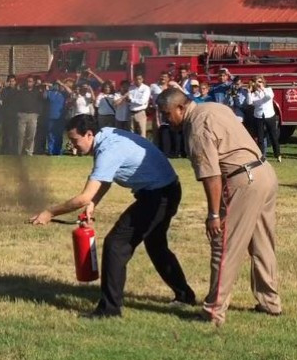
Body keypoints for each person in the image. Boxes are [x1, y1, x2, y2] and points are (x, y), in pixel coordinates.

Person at [27, 114, 196, 319]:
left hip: (158, 195)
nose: (72, 146)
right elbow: (105, 180)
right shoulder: (106, 137)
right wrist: (93, 205)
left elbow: (83, 197)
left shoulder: (108, 150)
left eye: (74, 141)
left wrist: (49, 212)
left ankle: (109, 309)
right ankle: (185, 295)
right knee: (156, 245)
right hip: (166, 189)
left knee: (116, 244)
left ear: (89, 134)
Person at [156, 88, 282, 326]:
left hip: (243, 180)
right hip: (264, 173)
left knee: (224, 245)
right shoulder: (214, 107)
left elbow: (211, 175)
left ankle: (214, 310)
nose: (165, 120)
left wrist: (214, 214)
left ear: (181, 108)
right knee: (262, 242)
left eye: (166, 113)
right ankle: (270, 302)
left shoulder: (196, 126)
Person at [249, 76, 281, 162]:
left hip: (269, 115)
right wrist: (249, 91)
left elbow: (269, 97)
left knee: (273, 136)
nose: (258, 83)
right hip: (258, 116)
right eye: (257, 82)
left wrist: (262, 88)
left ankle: (277, 155)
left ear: (263, 82)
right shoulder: (253, 93)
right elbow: (249, 102)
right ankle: (262, 155)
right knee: (260, 137)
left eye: (260, 81)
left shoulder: (268, 90)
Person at [15, 76, 42, 156]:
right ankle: (19, 152)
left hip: (33, 115)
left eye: (30, 81)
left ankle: (29, 151)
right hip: (22, 115)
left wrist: (37, 113)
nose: (28, 83)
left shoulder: (37, 92)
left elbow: (42, 99)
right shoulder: (21, 91)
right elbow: (16, 102)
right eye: (27, 81)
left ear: (33, 83)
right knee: (20, 135)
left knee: (31, 135)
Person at [45, 80, 68, 156]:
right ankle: (51, 151)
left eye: (57, 85)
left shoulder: (63, 94)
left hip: (60, 117)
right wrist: (47, 87)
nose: (56, 86)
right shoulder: (49, 93)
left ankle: (58, 151)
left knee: (59, 134)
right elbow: (44, 96)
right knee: (51, 134)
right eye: (55, 85)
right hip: (51, 117)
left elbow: (70, 92)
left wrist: (62, 84)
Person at [0, 75, 20, 155]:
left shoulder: (18, 91)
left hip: (15, 115)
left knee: (15, 134)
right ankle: (5, 150)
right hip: (6, 115)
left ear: (15, 82)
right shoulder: (5, 91)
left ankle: (14, 151)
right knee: (6, 134)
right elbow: (3, 98)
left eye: (13, 81)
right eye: (10, 81)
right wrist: (3, 88)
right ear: (8, 82)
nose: (12, 83)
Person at [127, 73, 151, 139]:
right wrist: (132, 101)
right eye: (136, 79)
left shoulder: (146, 88)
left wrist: (131, 100)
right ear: (134, 79)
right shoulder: (131, 88)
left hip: (140, 113)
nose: (138, 80)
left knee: (142, 134)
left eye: (139, 79)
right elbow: (128, 101)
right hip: (131, 113)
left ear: (142, 79)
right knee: (131, 133)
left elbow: (142, 101)